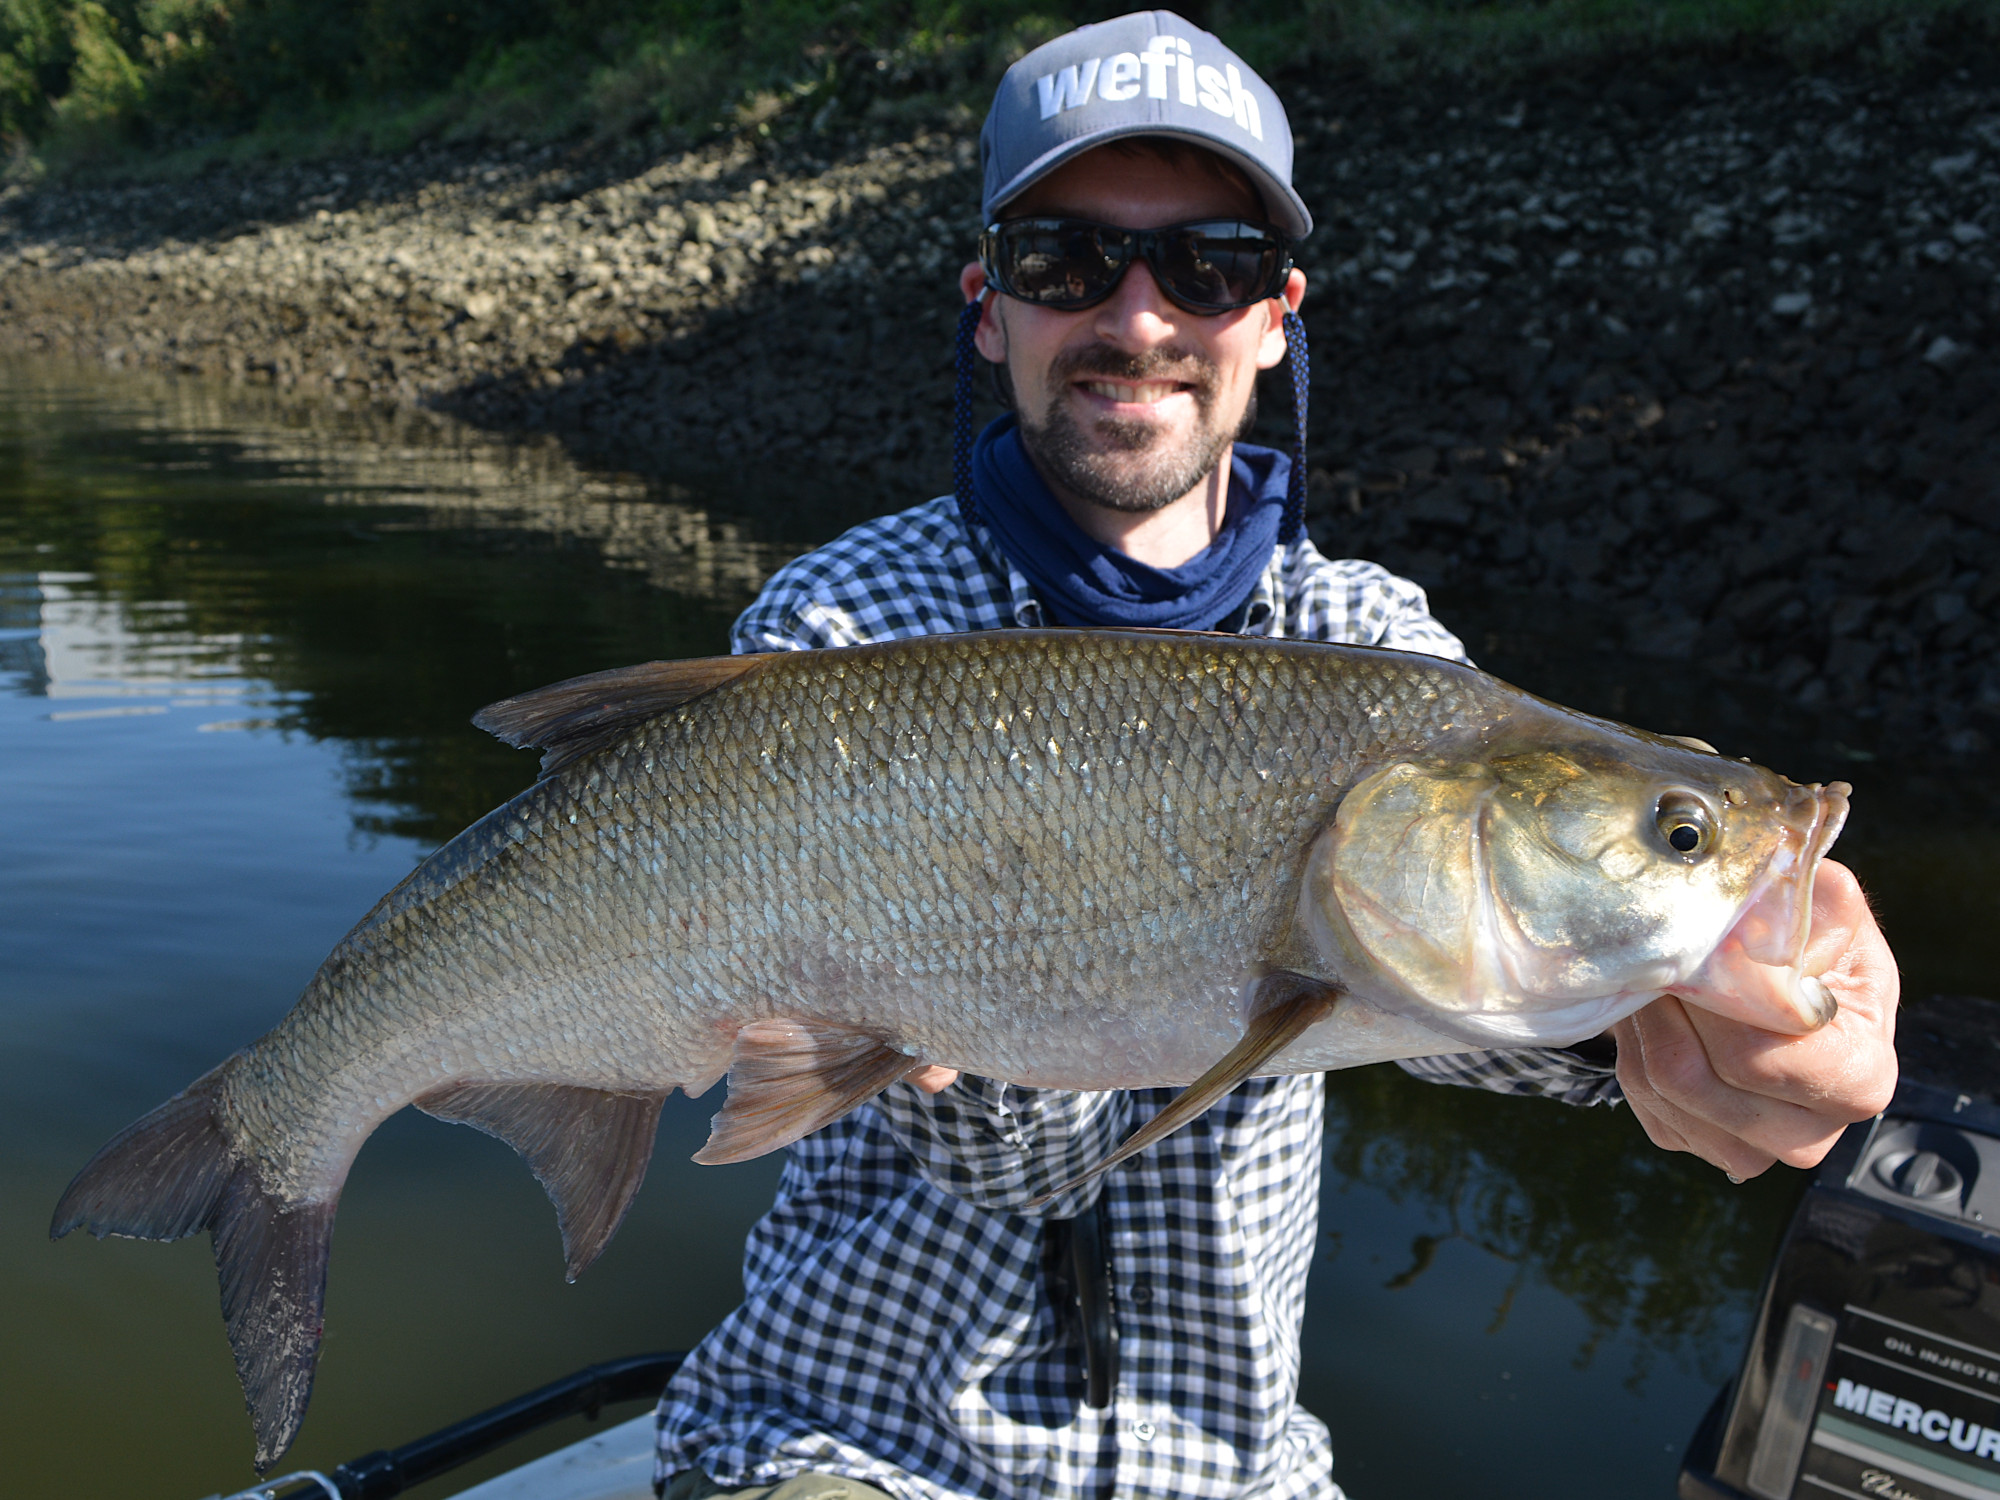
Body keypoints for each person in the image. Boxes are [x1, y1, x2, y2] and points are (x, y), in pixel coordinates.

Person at [654, 13, 1900, 1499]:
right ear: (989, 305)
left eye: (1209, 264)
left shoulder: (1375, 643)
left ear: (1275, 311)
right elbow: (1020, 1166)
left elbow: (1469, 989)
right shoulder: (842, 629)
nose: (1140, 315)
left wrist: (1690, 1028)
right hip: (852, 1433)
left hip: (1228, 1468)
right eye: (1067, 260)